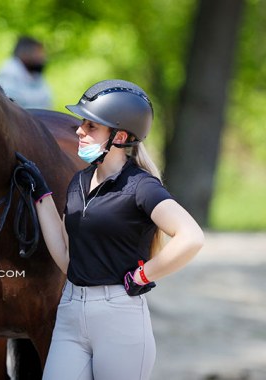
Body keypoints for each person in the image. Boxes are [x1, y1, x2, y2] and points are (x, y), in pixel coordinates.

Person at [16, 79, 204, 379]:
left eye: (91, 126)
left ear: (120, 136)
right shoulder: (78, 181)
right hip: (70, 312)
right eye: (83, 123)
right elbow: (67, 256)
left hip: (119, 317)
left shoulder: (141, 187)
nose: (79, 130)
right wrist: (42, 195)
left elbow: (192, 237)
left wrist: (144, 276)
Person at [0, 36, 53, 109]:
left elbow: (47, 100)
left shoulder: (35, 73)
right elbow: (11, 103)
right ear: (25, 54)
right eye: (38, 53)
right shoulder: (9, 72)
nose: (43, 58)